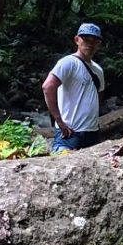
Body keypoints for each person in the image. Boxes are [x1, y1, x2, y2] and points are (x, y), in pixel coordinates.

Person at [42, 22, 106, 151]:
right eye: (86, 39)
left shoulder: (98, 70)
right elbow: (48, 87)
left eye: (94, 40)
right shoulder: (68, 62)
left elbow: (99, 94)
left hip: (92, 132)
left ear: (98, 44)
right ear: (77, 40)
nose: (90, 43)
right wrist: (59, 122)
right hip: (70, 132)